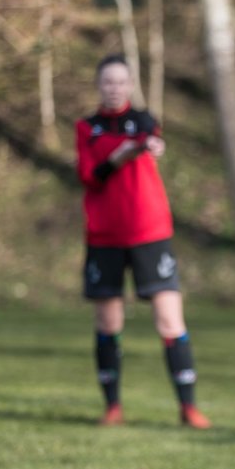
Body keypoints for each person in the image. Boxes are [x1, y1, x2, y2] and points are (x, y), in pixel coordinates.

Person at [75, 54, 211, 430]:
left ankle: (188, 408)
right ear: (99, 85)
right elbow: (90, 177)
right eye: (108, 82)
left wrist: (151, 145)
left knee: (170, 319)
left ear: (130, 85)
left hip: (150, 232)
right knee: (108, 321)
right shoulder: (88, 128)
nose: (114, 88)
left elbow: (154, 137)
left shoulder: (145, 120)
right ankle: (113, 407)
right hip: (104, 236)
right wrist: (119, 157)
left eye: (120, 82)